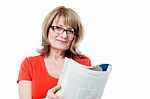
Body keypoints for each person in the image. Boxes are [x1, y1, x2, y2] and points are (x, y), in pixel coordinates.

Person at [17, 6, 91, 99]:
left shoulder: (83, 63)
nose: (64, 35)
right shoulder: (29, 64)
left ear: (75, 36)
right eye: (58, 28)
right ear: (47, 29)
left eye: (70, 31)